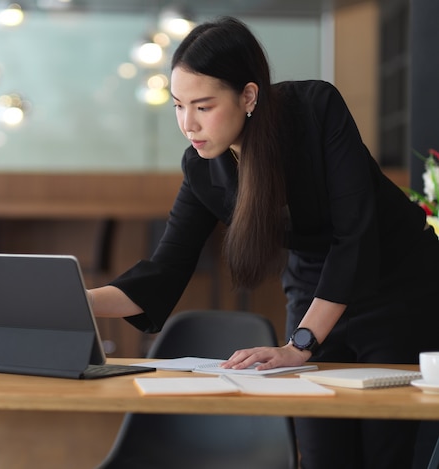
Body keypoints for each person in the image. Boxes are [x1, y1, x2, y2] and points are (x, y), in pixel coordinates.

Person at [87, 15, 439, 469]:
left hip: (397, 287)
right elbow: (166, 269)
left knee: (386, 453)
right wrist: (76, 300)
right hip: (314, 288)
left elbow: (355, 235)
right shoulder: (203, 168)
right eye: (178, 105)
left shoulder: (315, 108)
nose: (187, 124)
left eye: (203, 106)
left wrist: (300, 343)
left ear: (248, 96)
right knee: (320, 452)